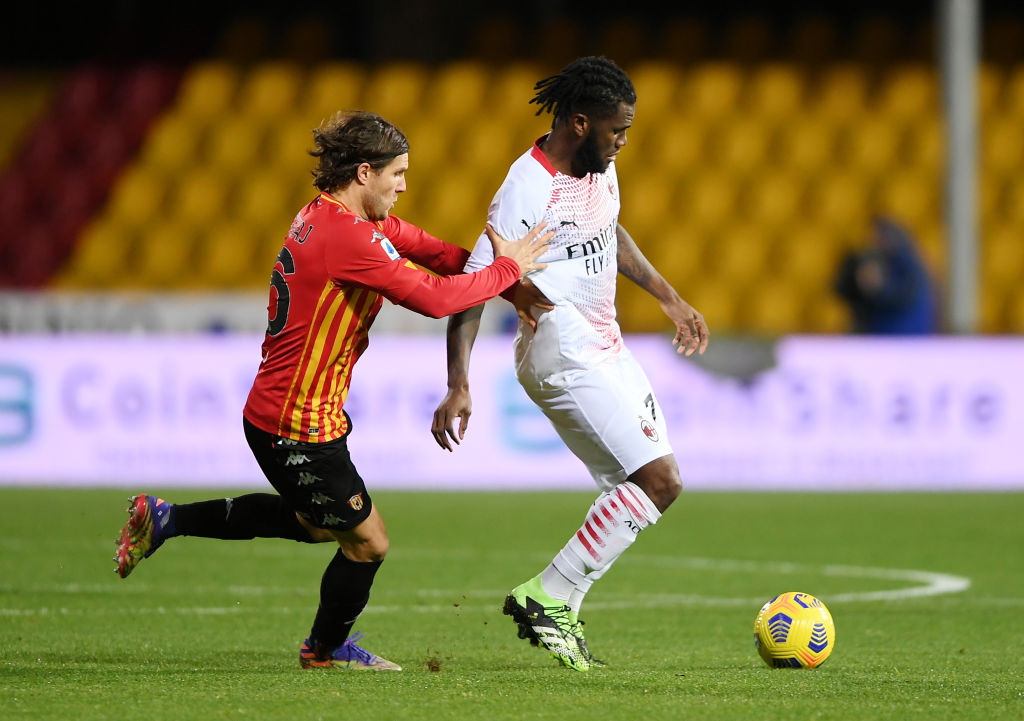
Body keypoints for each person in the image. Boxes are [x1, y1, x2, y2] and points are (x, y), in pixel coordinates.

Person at [114, 110, 551, 671]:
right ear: (365, 172)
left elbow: (438, 254)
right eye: (398, 173)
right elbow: (438, 298)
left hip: (288, 413)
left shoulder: (333, 220)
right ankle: (324, 650)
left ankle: (165, 520)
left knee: (319, 522)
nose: (404, 185)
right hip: (295, 424)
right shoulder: (349, 239)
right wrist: (506, 270)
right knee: (367, 541)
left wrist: (504, 279)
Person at [430, 56, 710, 671]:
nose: (624, 142)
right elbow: (476, 284)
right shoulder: (526, 188)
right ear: (581, 122)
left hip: (603, 343)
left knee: (636, 492)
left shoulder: (597, 167)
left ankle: (559, 607)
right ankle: (548, 596)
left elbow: (609, 232)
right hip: (559, 347)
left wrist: (668, 296)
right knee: (660, 480)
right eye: (618, 130)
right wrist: (458, 384)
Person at [833, 216, 939, 334]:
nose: (872, 241)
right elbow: (843, 292)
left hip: (905, 335)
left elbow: (904, 296)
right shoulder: (867, 260)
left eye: (876, 236)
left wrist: (878, 288)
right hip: (879, 335)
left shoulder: (908, 264)